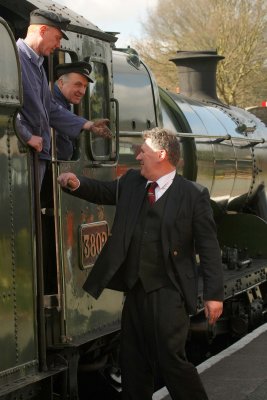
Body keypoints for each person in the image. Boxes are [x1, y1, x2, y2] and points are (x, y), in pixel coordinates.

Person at [57, 127, 224, 400]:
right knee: (133, 363)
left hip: (169, 290)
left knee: (171, 361)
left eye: (143, 152)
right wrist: (78, 183)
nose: (138, 157)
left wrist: (214, 295)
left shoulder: (193, 194)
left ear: (161, 154)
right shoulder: (134, 182)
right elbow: (104, 192)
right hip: (135, 289)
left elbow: (209, 248)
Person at [16, 8, 111, 185]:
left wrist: (88, 125)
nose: (58, 45)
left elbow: (50, 109)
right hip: (21, 155)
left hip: (35, 156)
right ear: (43, 30)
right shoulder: (14, 58)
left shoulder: (37, 65)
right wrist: (27, 136)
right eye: (58, 37)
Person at [53, 61, 93, 160]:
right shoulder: (53, 100)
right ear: (61, 83)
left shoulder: (63, 102)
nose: (82, 92)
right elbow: (63, 149)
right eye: (78, 85)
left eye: (85, 86)